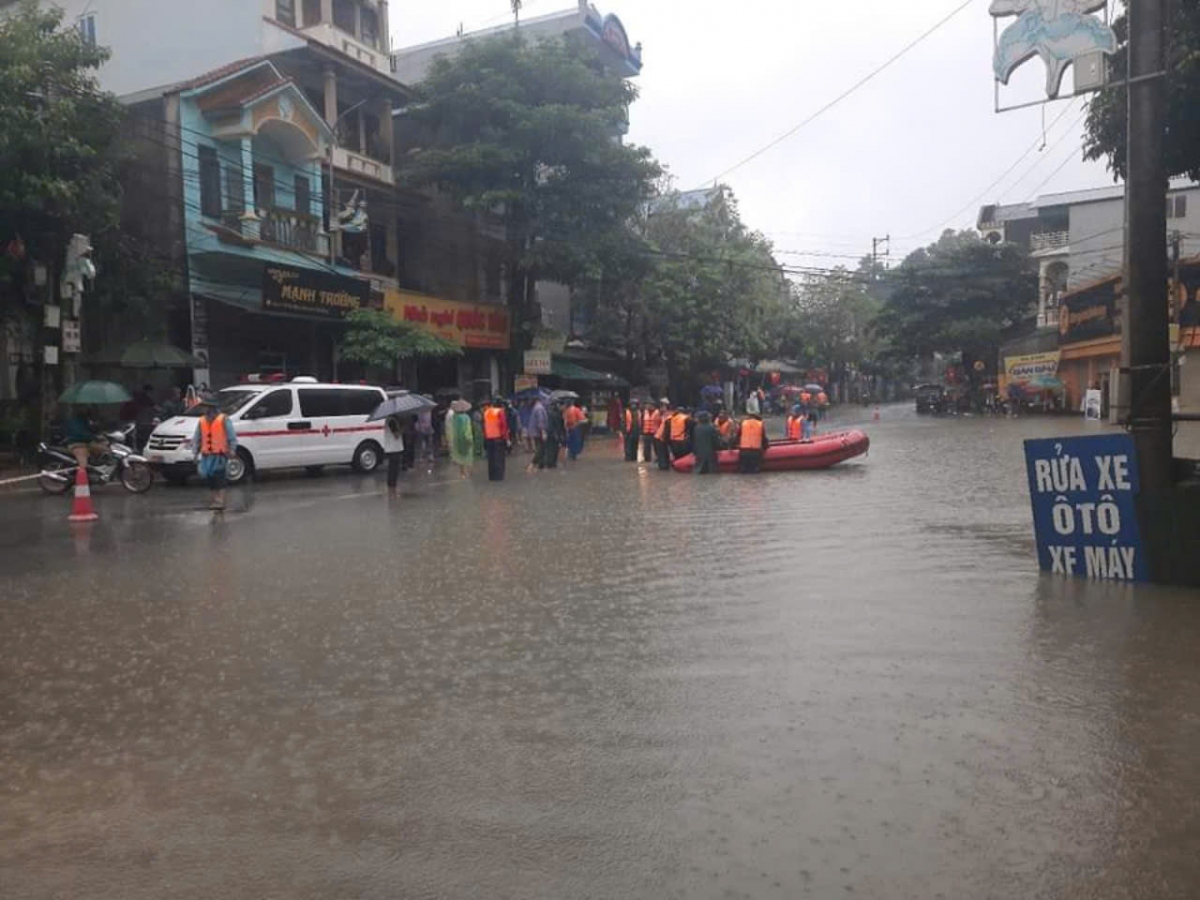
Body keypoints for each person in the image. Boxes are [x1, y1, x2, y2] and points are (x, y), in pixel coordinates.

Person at [193, 400, 237, 510]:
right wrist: (195, 452)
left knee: (219, 478)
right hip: (207, 455)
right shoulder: (202, 421)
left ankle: (220, 501)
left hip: (220, 454)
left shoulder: (224, 419)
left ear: (212, 408)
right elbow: (197, 438)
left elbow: (231, 436)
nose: (204, 410)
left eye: (206, 407)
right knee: (209, 478)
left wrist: (232, 450)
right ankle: (214, 500)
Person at [64, 406, 108, 472]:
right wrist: (93, 437)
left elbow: (90, 430)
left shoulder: (85, 420)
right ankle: (81, 476)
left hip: (87, 442)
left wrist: (97, 429)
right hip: (76, 444)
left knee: (104, 449)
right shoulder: (73, 421)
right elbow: (79, 434)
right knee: (83, 465)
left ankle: (97, 469)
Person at [482, 396, 510, 481]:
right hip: (498, 438)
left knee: (491, 459)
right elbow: (503, 426)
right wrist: (507, 439)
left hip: (488, 439)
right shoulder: (500, 412)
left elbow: (484, 426)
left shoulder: (486, 412)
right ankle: (498, 477)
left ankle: (492, 476)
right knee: (499, 459)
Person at [447, 400, 475, 479]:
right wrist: (469, 438)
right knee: (468, 455)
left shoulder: (454, 417)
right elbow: (467, 429)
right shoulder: (466, 417)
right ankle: (469, 472)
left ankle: (462, 473)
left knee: (460, 456)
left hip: (456, 439)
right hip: (466, 438)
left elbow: (451, 427)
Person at [382, 414, 405, 498]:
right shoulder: (391, 421)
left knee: (394, 469)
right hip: (393, 449)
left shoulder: (393, 420)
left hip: (394, 448)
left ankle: (392, 490)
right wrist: (403, 428)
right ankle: (392, 491)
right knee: (393, 470)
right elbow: (396, 435)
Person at [526, 396, 549, 472]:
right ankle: (532, 464)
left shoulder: (536, 408)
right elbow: (540, 421)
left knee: (540, 448)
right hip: (538, 432)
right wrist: (543, 432)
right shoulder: (539, 408)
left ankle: (540, 465)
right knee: (541, 448)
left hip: (535, 432)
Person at [546, 400, 566, 469]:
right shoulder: (554, 414)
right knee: (553, 449)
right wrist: (556, 434)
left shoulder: (557, 413)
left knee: (554, 449)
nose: (564, 407)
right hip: (555, 434)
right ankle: (551, 463)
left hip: (555, 433)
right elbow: (553, 426)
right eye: (563, 406)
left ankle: (552, 463)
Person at [654, 400, 672, 470]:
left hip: (662, 436)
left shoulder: (667, 415)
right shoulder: (662, 415)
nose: (661, 408)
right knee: (662, 451)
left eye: (663, 407)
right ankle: (663, 464)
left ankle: (664, 465)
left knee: (663, 451)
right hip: (660, 436)